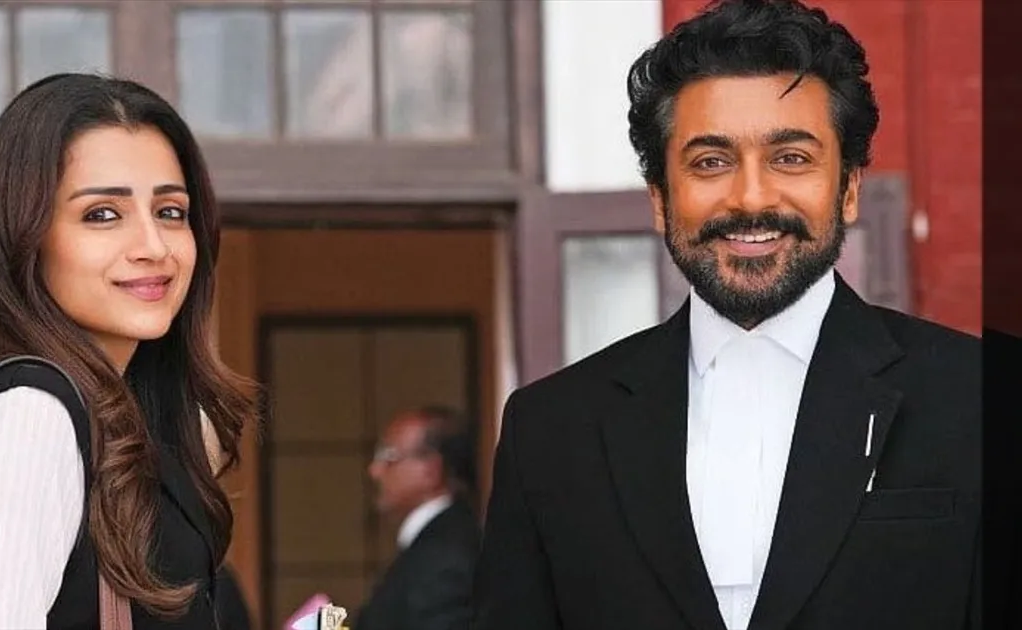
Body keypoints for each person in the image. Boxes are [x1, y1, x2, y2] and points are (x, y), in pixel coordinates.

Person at [472, 1, 981, 629]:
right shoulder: (551, 429)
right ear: (660, 199)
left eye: (790, 158)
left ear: (848, 188)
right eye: (710, 162)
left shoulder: (979, 399)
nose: (750, 198)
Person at [0, 72, 258, 628]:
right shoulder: (30, 419)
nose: (154, 247)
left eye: (170, 212)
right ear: (27, 238)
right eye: (103, 214)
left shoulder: (126, 415)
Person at [355, 406, 481, 630]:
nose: (375, 470)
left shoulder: (444, 556)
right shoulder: (438, 543)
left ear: (431, 469)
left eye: (389, 456)